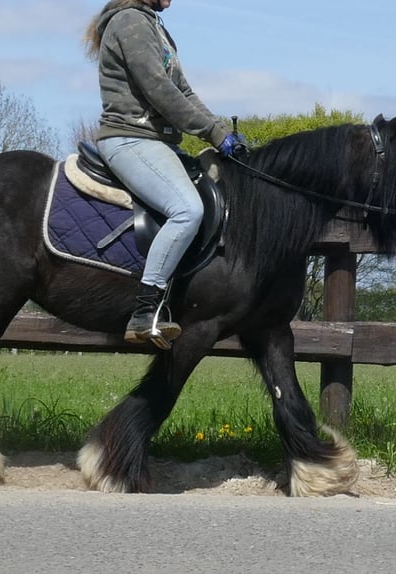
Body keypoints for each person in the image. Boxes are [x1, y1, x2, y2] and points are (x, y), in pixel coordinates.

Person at [84, 0, 245, 346]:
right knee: (187, 210)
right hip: (130, 140)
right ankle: (144, 311)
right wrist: (214, 133)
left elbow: (184, 91)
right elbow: (160, 90)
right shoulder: (130, 22)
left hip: (159, 143)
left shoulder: (154, 26)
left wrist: (221, 131)